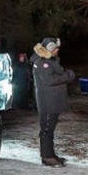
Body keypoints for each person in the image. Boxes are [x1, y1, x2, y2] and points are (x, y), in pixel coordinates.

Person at [30, 37, 75, 167]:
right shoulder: (43, 62)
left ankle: (50, 154)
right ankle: (47, 157)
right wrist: (68, 76)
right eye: (56, 48)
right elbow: (50, 80)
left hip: (51, 100)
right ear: (50, 49)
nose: (58, 50)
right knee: (47, 129)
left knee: (49, 128)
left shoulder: (48, 60)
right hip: (47, 101)